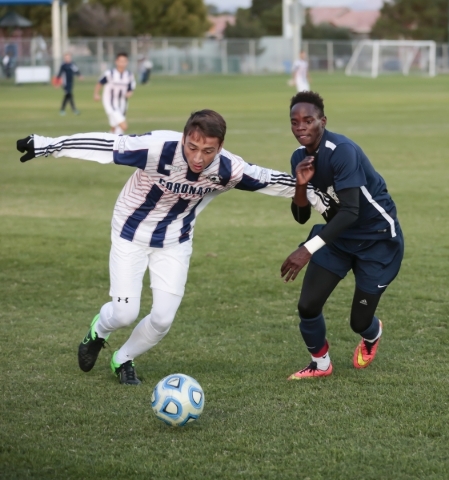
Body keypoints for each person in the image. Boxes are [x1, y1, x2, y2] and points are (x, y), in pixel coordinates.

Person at [16, 109, 326, 385]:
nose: (198, 157)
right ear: (183, 139)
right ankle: (98, 330)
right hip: (130, 233)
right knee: (125, 313)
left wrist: (321, 196)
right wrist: (48, 145)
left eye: (208, 150)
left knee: (163, 319)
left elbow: (272, 180)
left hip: (175, 242)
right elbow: (107, 145)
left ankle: (122, 359)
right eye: (192, 147)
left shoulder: (228, 169)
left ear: (219, 147)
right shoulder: (158, 148)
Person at [280, 91, 404, 380]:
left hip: (377, 240)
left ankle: (372, 335)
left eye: (308, 120)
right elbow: (301, 217)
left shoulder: (341, 151)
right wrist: (300, 185)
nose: (301, 127)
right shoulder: (299, 158)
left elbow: (350, 211)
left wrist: (306, 250)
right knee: (307, 305)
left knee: (359, 321)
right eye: (294, 122)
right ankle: (320, 364)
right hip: (336, 238)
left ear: (322, 121)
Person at [94, 52, 136, 135]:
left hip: (123, 103)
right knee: (123, 126)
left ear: (127, 62)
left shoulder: (129, 75)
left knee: (114, 126)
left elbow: (131, 88)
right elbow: (99, 83)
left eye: (124, 61)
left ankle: (108, 141)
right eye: (120, 61)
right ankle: (115, 144)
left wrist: (129, 93)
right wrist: (96, 94)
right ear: (116, 62)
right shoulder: (110, 74)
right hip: (110, 102)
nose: (122, 63)